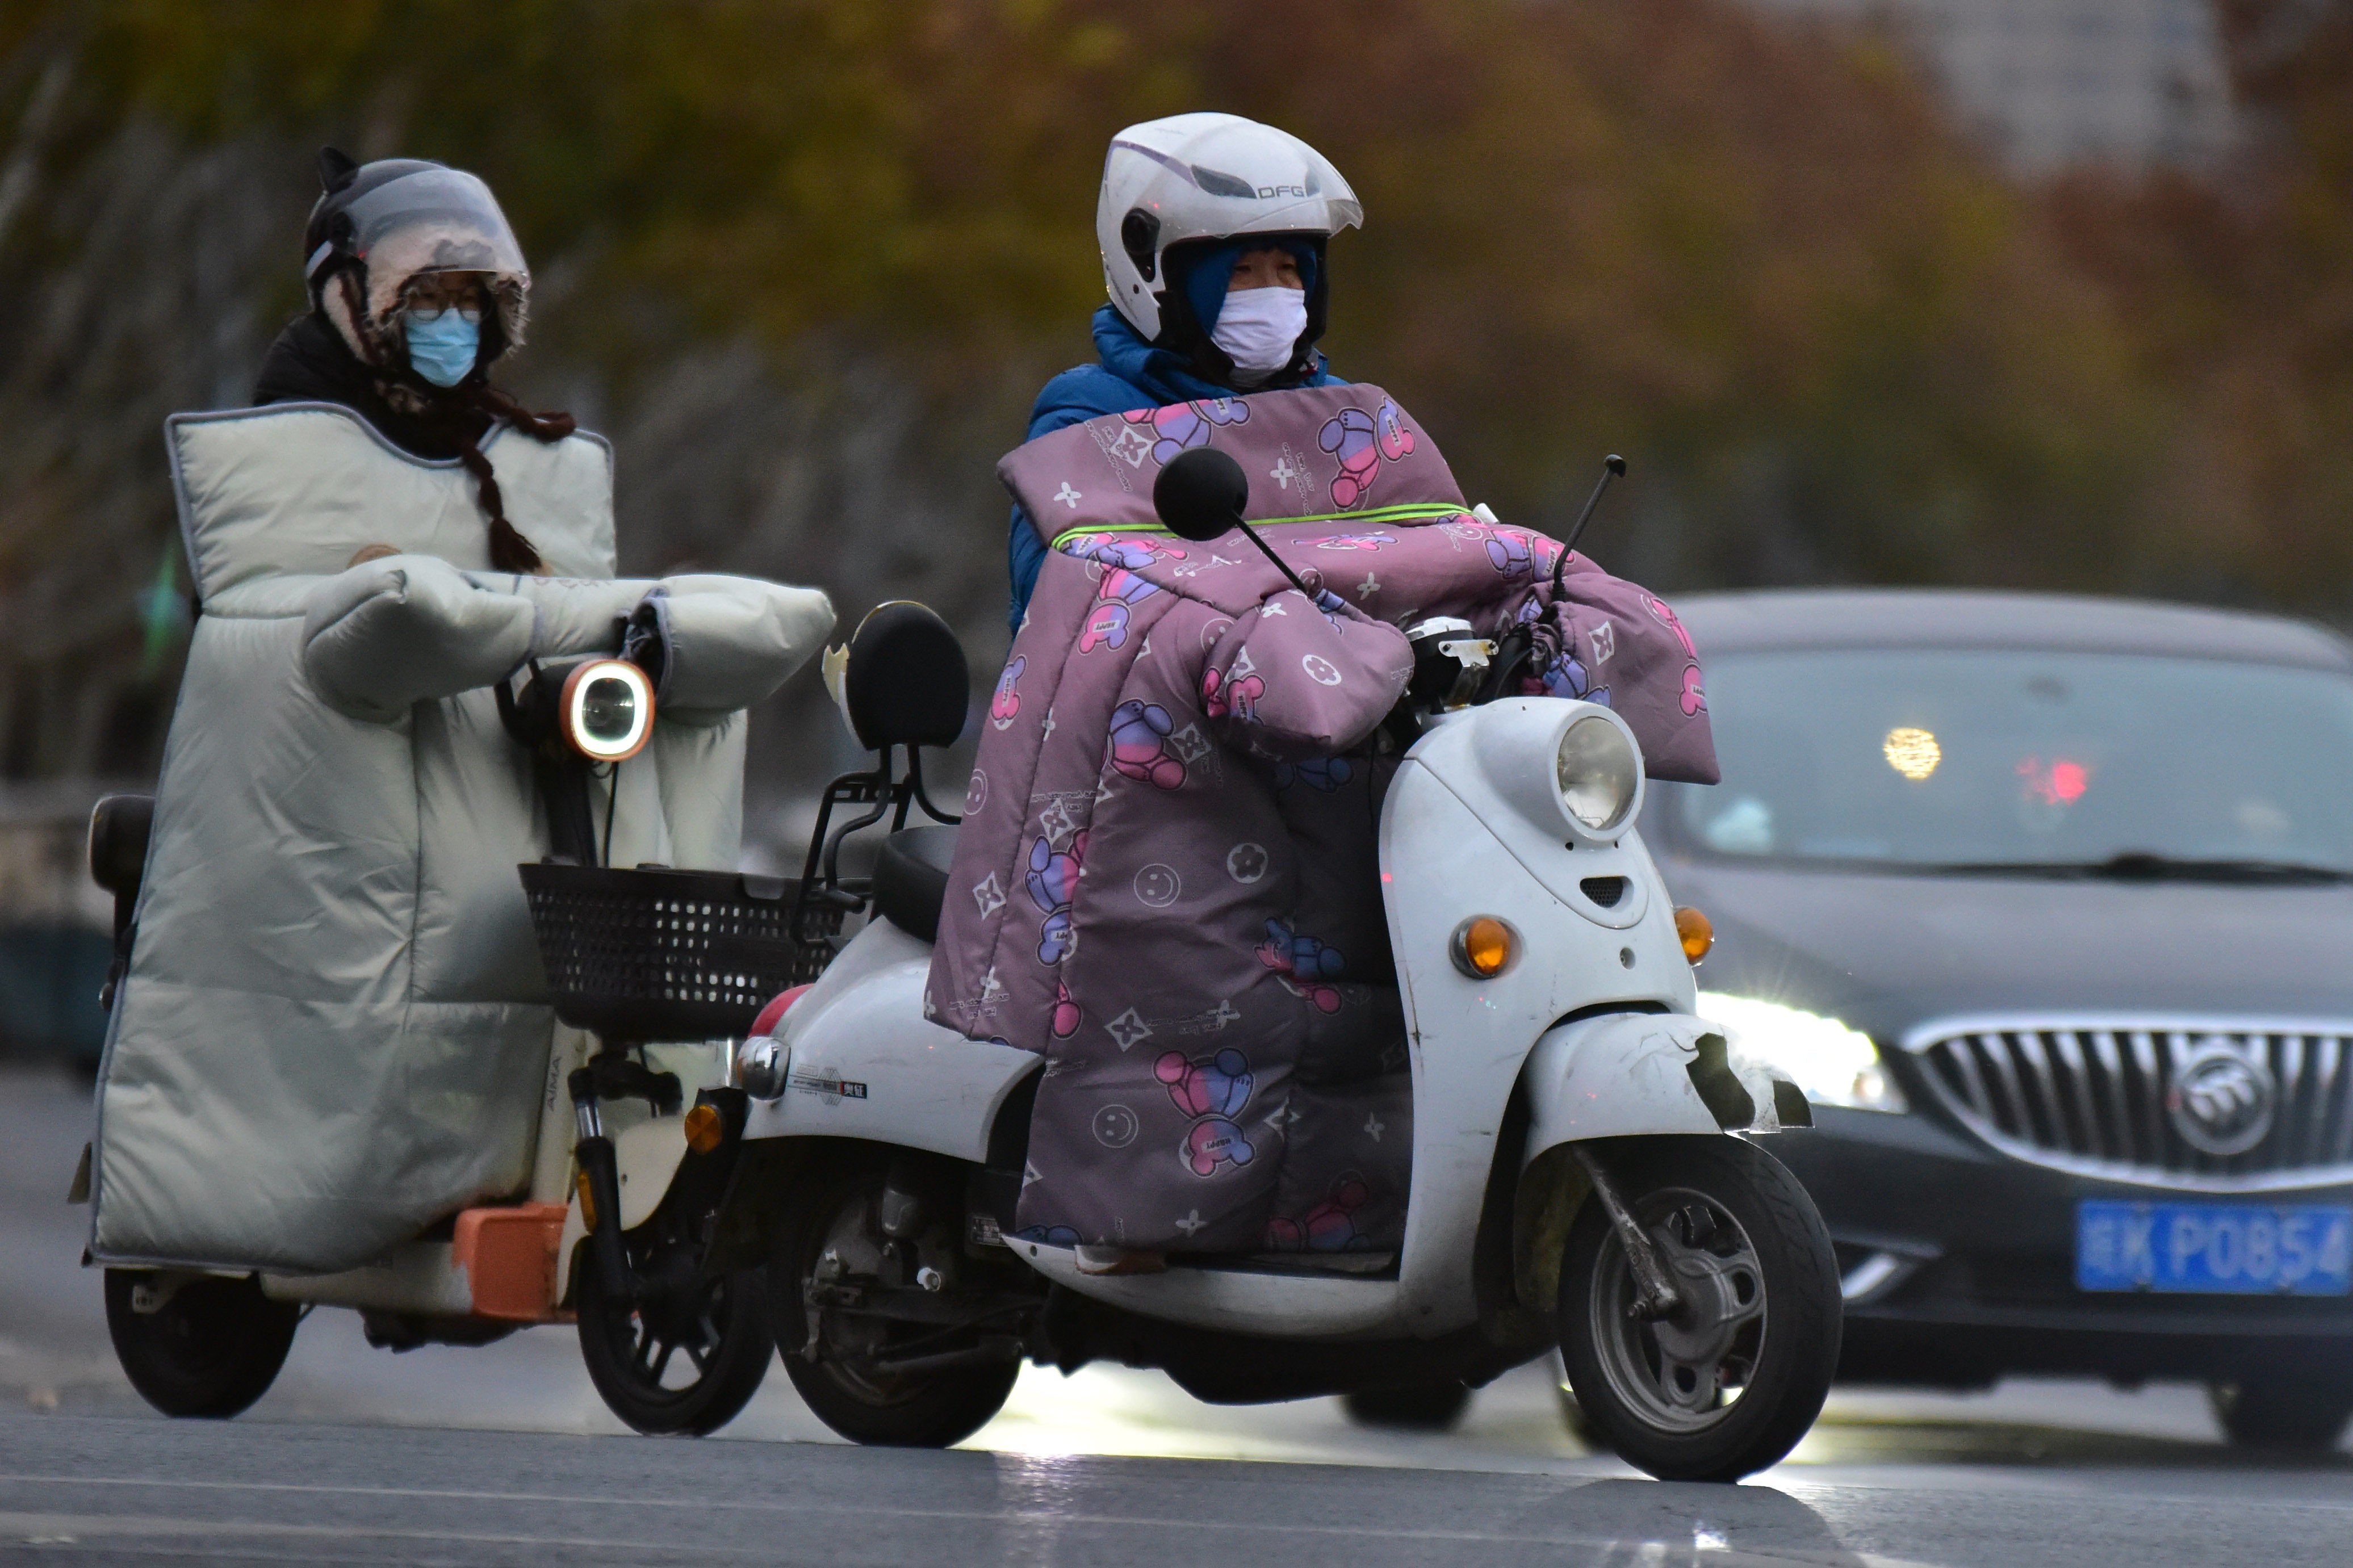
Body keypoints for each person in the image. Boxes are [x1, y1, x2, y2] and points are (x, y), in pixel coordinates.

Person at [1004, 113, 1362, 630]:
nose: (1275, 291)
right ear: (1158, 278)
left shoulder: (1340, 412)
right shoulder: (1087, 416)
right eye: (1241, 272)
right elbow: (1057, 593)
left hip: (1357, 694)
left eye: (1290, 270)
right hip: (1156, 703)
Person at [253, 147, 573, 573]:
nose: (453, 320)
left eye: (468, 301)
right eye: (425, 298)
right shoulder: (305, 381)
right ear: (356, 298)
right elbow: (279, 552)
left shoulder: (471, 415)